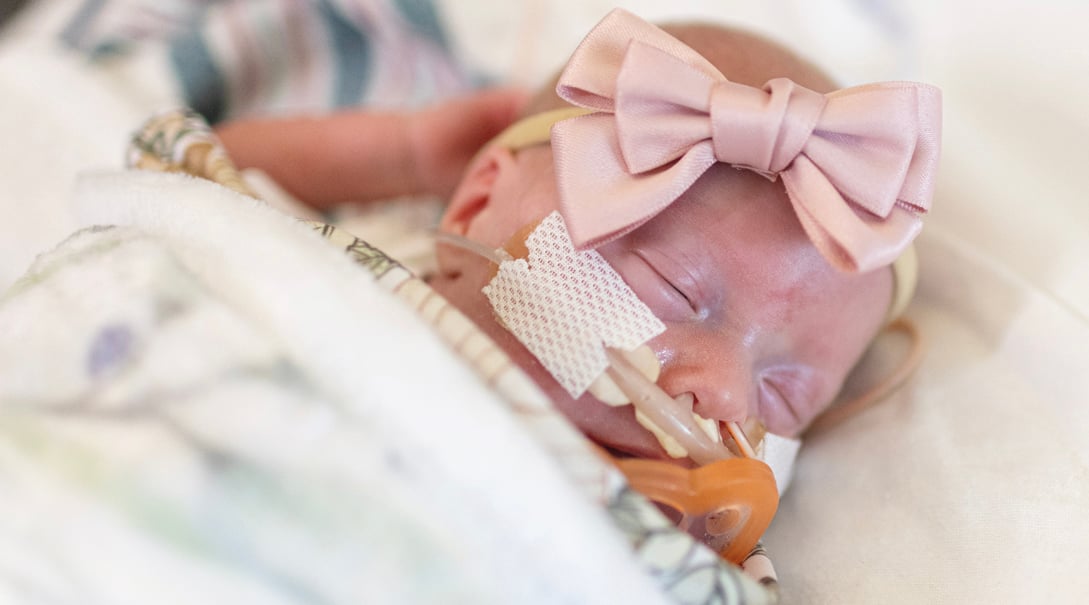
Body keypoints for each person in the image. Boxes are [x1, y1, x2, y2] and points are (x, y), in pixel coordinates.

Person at [217, 9, 940, 462]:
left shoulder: (684, 527)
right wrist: (402, 155)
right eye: (674, 286)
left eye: (784, 396)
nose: (723, 394)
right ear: (473, 208)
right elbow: (197, 171)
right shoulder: (372, 262)